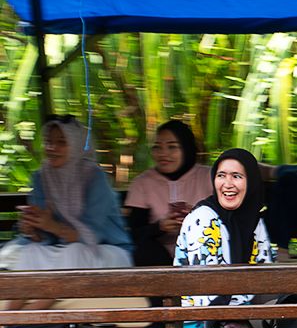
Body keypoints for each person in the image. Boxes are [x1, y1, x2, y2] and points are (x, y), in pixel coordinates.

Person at [0, 117, 132, 309]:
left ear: (76, 144)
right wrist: (32, 229)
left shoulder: (94, 177)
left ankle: (31, 317)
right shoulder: (41, 176)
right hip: (61, 250)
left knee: (74, 251)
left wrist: (52, 226)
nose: (52, 148)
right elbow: (43, 237)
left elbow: (92, 235)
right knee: (30, 251)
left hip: (106, 252)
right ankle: (8, 320)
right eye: (49, 141)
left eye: (61, 142)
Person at [174, 148, 274, 328]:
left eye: (236, 176)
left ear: (251, 182)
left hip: (244, 317)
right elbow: (205, 290)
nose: (227, 184)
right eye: (221, 175)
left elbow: (267, 279)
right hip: (203, 324)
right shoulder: (204, 219)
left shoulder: (253, 220)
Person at [123, 120, 213, 267]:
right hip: (158, 259)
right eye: (157, 147)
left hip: (204, 253)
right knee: (142, 249)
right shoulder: (143, 182)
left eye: (172, 147)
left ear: (187, 149)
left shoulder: (209, 177)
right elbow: (134, 234)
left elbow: (228, 222)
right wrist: (160, 227)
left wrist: (199, 216)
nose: (163, 154)